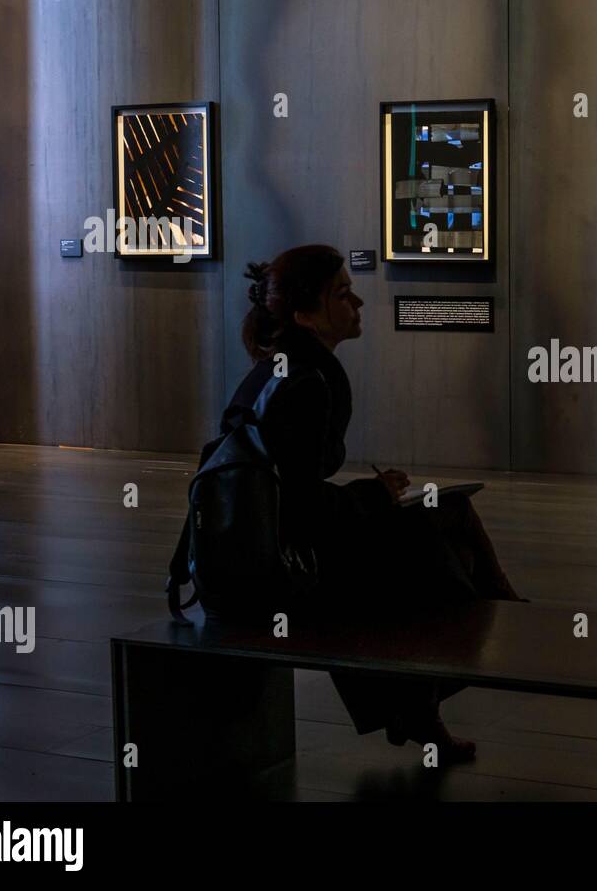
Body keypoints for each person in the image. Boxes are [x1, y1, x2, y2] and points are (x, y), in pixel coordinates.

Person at [179, 243, 524, 764]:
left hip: (237, 564)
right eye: (342, 294)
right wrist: (373, 495)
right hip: (277, 573)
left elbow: (289, 487)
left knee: (438, 522)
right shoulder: (307, 381)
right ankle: (493, 630)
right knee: (439, 530)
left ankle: (427, 695)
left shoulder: (280, 367)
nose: (358, 303)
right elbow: (302, 511)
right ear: (305, 314)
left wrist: (370, 497)